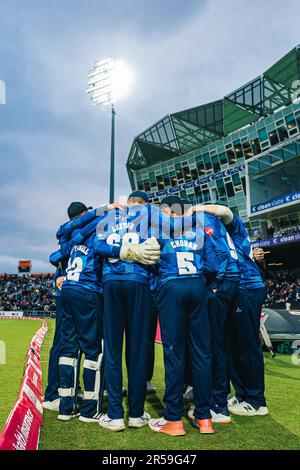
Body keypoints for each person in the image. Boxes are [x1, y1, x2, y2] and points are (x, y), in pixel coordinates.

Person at [148, 196, 219, 436]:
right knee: (201, 352)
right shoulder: (198, 231)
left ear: (168, 211)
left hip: (172, 288)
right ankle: (205, 417)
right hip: (197, 287)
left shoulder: (160, 230)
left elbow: (150, 261)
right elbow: (213, 266)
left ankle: (173, 419)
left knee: (174, 353)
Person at [94, 191, 161, 432]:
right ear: (145, 204)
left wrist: (119, 252)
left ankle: (114, 414)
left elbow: (96, 247)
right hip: (139, 283)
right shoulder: (151, 216)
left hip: (112, 283)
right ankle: (135, 413)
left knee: (113, 349)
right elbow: (162, 249)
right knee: (138, 350)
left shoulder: (110, 217)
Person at [193, 204, 268, 417]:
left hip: (247, 286)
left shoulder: (232, 226)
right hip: (236, 288)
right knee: (231, 345)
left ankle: (256, 400)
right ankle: (242, 393)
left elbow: (225, 211)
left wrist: (195, 208)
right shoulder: (216, 232)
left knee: (247, 345)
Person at [58, 201, 118, 422]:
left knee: (68, 350)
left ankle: (66, 407)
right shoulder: (100, 230)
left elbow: (58, 255)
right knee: (93, 351)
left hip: (68, 290)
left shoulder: (73, 234)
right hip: (88, 290)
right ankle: (90, 409)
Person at [186, 202, 240, 424]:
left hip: (222, 283)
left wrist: (215, 283)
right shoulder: (210, 220)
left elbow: (218, 253)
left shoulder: (201, 220)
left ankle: (217, 404)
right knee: (219, 343)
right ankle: (219, 396)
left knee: (212, 345)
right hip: (232, 281)